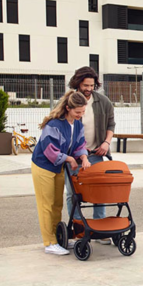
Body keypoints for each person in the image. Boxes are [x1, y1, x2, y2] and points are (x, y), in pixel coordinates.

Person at [31, 91, 90, 256]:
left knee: (57, 204)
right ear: (68, 108)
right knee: (46, 205)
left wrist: (84, 157)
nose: (80, 115)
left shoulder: (77, 124)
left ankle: (58, 239)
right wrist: (69, 159)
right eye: (78, 112)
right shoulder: (54, 124)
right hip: (43, 166)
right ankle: (49, 242)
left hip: (58, 167)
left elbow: (79, 144)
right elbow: (50, 150)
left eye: (83, 112)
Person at [65, 66, 116, 243]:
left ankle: (99, 230)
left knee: (99, 192)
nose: (88, 89)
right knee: (73, 194)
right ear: (78, 84)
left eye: (91, 85)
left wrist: (106, 143)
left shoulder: (103, 101)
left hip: (96, 154)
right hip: (74, 156)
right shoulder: (69, 101)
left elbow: (111, 125)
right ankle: (79, 230)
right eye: (85, 85)